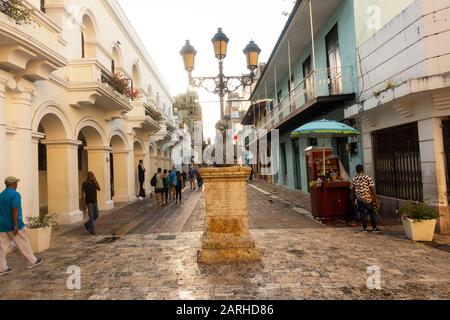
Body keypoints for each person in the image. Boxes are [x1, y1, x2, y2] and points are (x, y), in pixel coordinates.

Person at [0, 177, 43, 276]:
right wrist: (15, 225)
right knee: (24, 241)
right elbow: (15, 209)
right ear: (13, 184)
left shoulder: (1, 195)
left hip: (2, 225)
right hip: (14, 225)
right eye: (16, 183)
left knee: (2, 247)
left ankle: (2, 268)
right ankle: (33, 261)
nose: (17, 185)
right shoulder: (15, 194)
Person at [351, 165, 380, 233]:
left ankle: (365, 228)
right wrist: (375, 198)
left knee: (362, 213)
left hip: (359, 199)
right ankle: (374, 228)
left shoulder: (354, 178)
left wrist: (353, 198)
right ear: (362, 170)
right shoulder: (367, 177)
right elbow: (372, 189)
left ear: (356, 170)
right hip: (368, 198)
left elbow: (353, 190)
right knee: (372, 212)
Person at [81, 171, 101, 236]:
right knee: (91, 216)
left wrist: (95, 181)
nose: (92, 176)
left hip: (95, 201)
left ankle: (87, 224)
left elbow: (99, 188)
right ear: (88, 176)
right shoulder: (85, 183)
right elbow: (82, 193)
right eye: (91, 175)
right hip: (89, 202)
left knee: (96, 215)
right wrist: (83, 203)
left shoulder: (94, 182)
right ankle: (92, 230)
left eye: (93, 175)